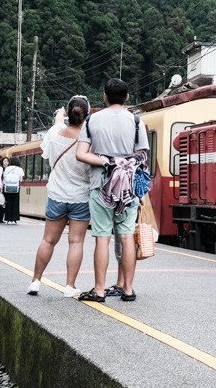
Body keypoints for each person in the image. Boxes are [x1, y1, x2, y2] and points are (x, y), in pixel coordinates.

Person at [76, 78, 149, 303]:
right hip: (128, 190)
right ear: (127, 97)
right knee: (127, 237)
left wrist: (106, 161)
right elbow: (142, 158)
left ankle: (99, 291)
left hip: (100, 187)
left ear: (104, 96)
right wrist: (127, 169)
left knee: (102, 238)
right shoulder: (136, 121)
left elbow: (81, 154)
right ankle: (128, 289)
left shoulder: (92, 120)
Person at [28, 95, 91, 298]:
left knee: (48, 240)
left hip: (57, 195)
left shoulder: (55, 135)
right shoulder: (89, 140)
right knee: (76, 242)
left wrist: (59, 115)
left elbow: (56, 125)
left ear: (69, 115)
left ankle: (36, 281)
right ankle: (69, 286)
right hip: (81, 197)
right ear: (86, 116)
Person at [2, 157, 25, 224]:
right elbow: (21, 179)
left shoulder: (7, 168)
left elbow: (4, 177)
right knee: (15, 203)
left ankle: (8, 219)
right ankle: (14, 219)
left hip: (7, 188)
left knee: (8, 203)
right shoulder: (20, 169)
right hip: (16, 188)